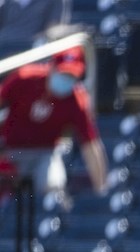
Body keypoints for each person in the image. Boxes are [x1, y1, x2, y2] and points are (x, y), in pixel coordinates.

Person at [0, 46, 107, 199]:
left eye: (71, 76)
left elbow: (90, 144)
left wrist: (101, 188)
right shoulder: (25, 78)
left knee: (54, 186)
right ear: (51, 67)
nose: (66, 79)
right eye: (62, 73)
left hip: (46, 153)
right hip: (10, 150)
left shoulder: (77, 100)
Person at [0, 0, 68, 58]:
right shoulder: (8, 2)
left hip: (28, 47)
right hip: (3, 43)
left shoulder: (53, 1)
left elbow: (52, 28)